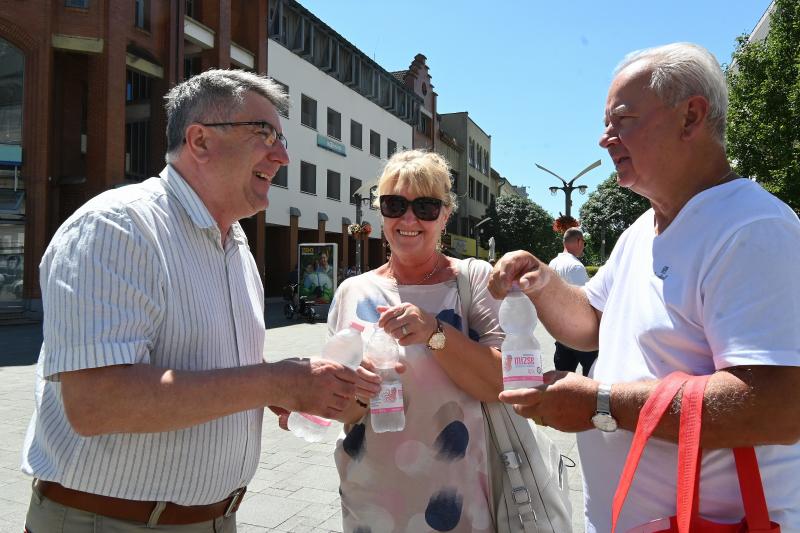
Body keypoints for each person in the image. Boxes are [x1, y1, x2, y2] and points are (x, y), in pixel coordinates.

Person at [21, 69, 379, 532]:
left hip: (213, 519)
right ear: (200, 140)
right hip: (108, 521)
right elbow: (96, 403)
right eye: (265, 133)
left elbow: (209, 364)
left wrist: (292, 386)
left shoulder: (235, 244)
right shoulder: (118, 225)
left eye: (282, 139)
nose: (283, 155)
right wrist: (273, 382)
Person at [489, 43, 800, 532]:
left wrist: (600, 404)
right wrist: (542, 281)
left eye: (622, 120)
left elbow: (778, 407)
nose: (604, 139)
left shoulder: (753, 228)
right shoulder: (641, 230)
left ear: (690, 117)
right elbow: (592, 323)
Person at [328, 150, 504, 532]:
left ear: (445, 214)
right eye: (395, 205)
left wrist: (435, 334)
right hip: (369, 500)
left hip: (456, 503)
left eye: (425, 207)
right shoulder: (353, 292)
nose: (409, 219)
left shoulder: (472, 280)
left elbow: (500, 383)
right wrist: (352, 390)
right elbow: (344, 412)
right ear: (381, 211)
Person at [548, 227, 598, 376]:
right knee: (591, 377)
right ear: (579, 241)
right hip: (580, 332)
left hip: (561, 331)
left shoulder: (553, 263)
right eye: (584, 243)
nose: (584, 247)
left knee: (562, 378)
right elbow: (585, 300)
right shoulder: (575, 266)